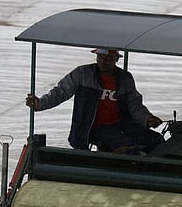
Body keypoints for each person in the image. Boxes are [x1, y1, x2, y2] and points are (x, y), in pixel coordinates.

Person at [26, 48, 164, 154]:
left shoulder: (125, 78)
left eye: (108, 58)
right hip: (92, 127)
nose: (103, 61)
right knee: (127, 146)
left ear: (116, 59)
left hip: (121, 124)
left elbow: (134, 104)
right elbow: (60, 92)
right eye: (101, 57)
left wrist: (147, 119)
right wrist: (40, 103)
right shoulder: (82, 74)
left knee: (156, 140)